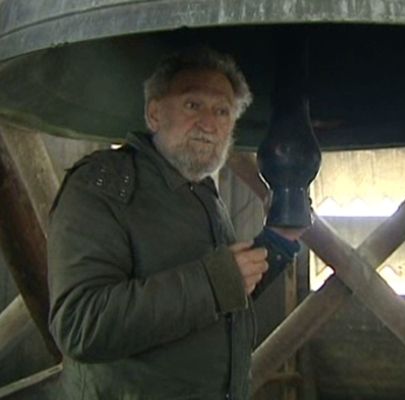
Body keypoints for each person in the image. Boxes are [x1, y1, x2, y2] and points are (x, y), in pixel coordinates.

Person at [47, 47, 302, 400]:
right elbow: (81, 325)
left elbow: (221, 295)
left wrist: (277, 242)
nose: (209, 124)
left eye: (222, 111)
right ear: (154, 114)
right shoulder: (105, 184)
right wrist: (214, 281)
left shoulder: (200, 192)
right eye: (192, 104)